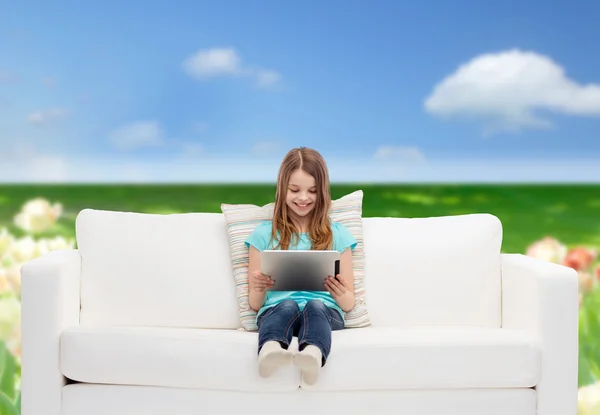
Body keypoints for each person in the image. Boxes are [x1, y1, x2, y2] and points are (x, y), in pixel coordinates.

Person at [244, 147, 357, 385]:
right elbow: (255, 304)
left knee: (315, 305)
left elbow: (348, 304)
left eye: (312, 191)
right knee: (287, 304)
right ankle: (269, 351)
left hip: (325, 313)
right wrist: (258, 287)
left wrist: (341, 292)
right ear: (282, 188)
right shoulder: (264, 235)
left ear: (322, 192)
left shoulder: (337, 236)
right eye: (295, 190)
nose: (303, 198)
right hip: (278, 311)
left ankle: (313, 356)